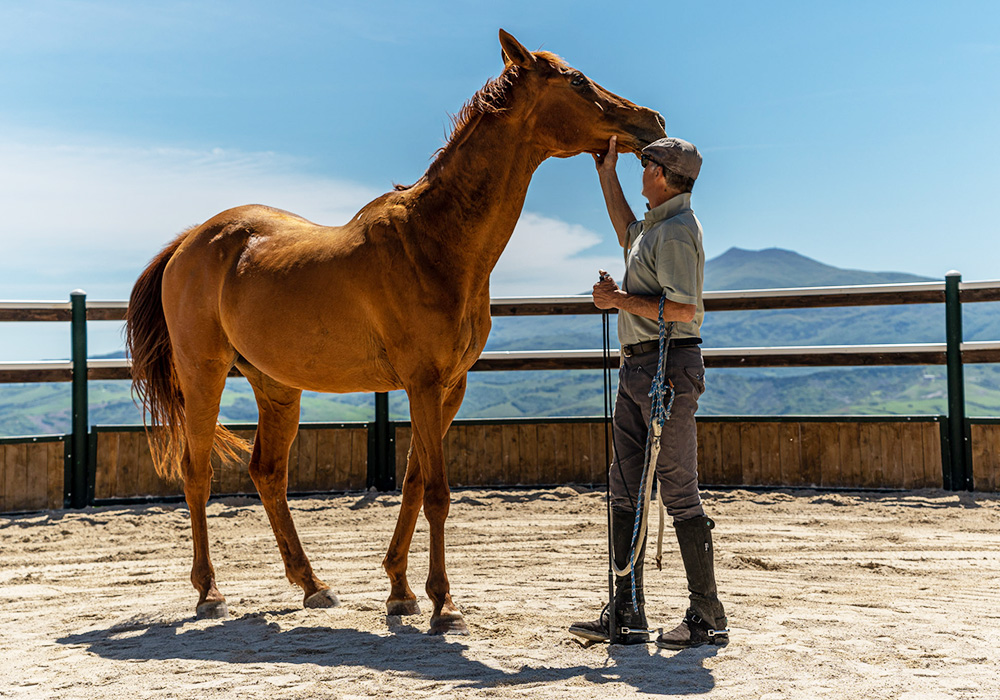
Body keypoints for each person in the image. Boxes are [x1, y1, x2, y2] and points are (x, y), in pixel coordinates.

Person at [568, 136, 728, 649]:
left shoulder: (677, 233)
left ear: (659, 173)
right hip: (644, 370)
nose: (640, 172)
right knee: (625, 485)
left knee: (677, 487)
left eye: (642, 165)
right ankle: (627, 611)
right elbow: (625, 231)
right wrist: (606, 173)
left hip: (666, 371)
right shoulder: (658, 227)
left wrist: (617, 299)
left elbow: (686, 310)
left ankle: (707, 614)